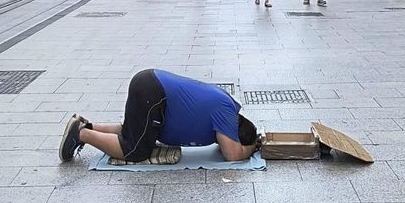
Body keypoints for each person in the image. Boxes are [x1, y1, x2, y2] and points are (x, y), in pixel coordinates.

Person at [60, 69, 259, 163]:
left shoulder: (225, 105)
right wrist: (252, 147)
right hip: (154, 94)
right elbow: (233, 154)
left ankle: (88, 125)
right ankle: (81, 134)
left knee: (132, 130)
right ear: (235, 133)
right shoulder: (226, 112)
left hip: (150, 85)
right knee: (135, 150)